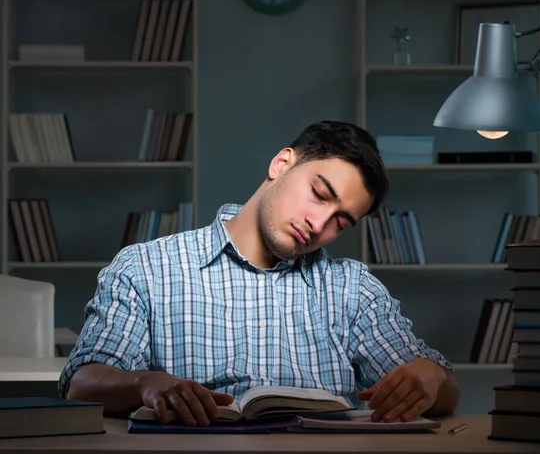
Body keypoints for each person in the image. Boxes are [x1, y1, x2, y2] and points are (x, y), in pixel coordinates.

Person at [59, 120, 459, 427]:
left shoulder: (352, 288)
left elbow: (444, 393)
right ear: (282, 163)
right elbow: (82, 384)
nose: (319, 223)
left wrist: (431, 376)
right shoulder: (145, 267)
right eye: (320, 194)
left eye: (341, 221)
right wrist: (144, 383)